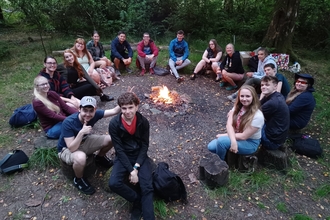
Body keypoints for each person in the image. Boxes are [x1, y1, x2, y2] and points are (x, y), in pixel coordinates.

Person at [57, 96, 121, 195]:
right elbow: (71, 148)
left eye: (91, 111)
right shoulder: (69, 122)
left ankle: (100, 158)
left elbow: (114, 111)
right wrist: (81, 132)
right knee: (81, 158)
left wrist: (126, 100)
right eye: (85, 110)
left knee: (112, 139)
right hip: (66, 149)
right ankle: (78, 179)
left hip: (83, 141)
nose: (88, 114)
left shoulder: (95, 114)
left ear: (95, 109)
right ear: (79, 109)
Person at [108, 92, 154, 220]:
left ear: (136, 107)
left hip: (139, 155)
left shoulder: (143, 122)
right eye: (124, 108)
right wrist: (131, 171)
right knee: (114, 183)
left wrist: (137, 167)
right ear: (120, 108)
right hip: (124, 156)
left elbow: (145, 145)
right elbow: (119, 149)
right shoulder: (114, 124)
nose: (127, 111)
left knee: (147, 187)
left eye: (130, 107)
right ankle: (137, 200)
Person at [207, 85, 264, 160]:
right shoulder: (237, 107)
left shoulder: (258, 116)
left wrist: (227, 136)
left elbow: (244, 136)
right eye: (242, 96)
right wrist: (232, 140)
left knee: (221, 141)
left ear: (253, 97)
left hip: (250, 142)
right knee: (211, 147)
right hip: (236, 135)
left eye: (248, 96)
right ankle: (227, 151)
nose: (244, 99)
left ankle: (220, 163)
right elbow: (229, 125)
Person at [260, 76, 290, 150]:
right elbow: (258, 105)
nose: (263, 87)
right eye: (262, 85)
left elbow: (252, 115)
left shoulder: (273, 102)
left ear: (275, 86)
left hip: (271, 141)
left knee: (248, 122)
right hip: (277, 136)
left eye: (267, 85)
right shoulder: (276, 95)